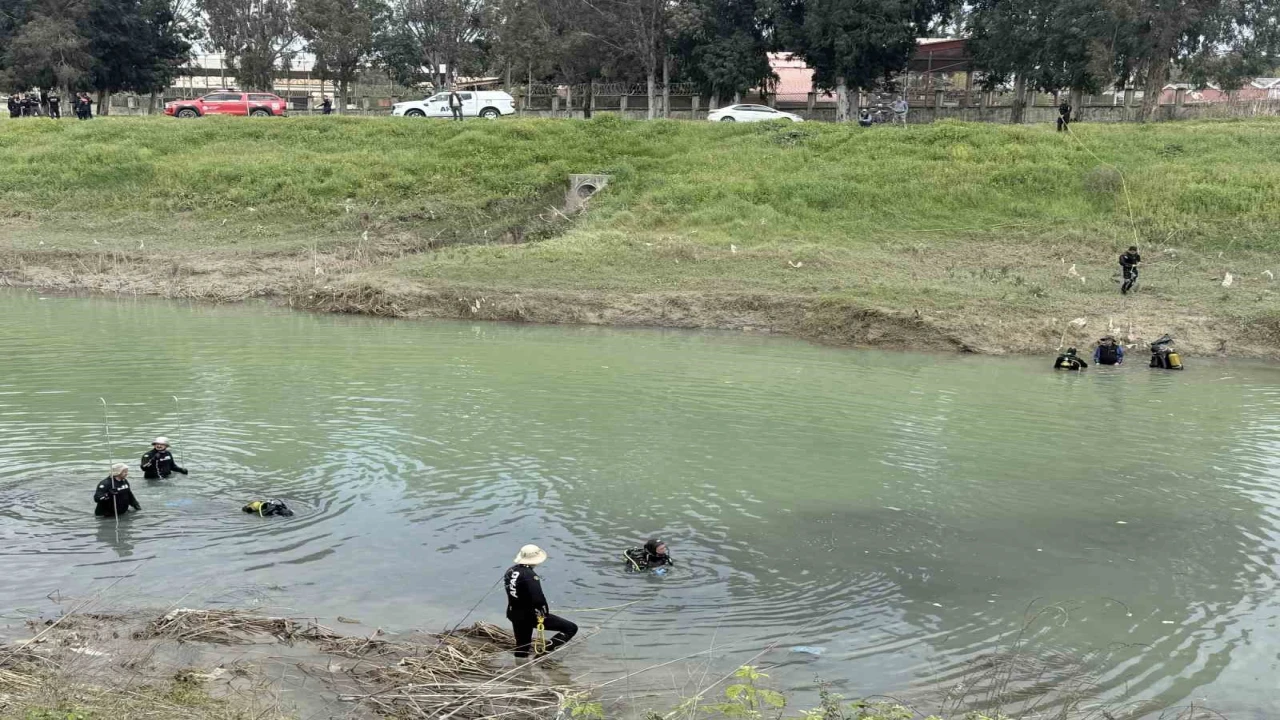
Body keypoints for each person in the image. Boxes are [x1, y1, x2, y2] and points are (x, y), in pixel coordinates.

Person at [503, 544, 577, 658]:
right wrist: (544, 612)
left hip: (514, 613)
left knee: (522, 646)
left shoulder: (511, 570)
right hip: (529, 615)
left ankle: (520, 667)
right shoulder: (530, 575)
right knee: (571, 628)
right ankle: (541, 655)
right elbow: (538, 597)